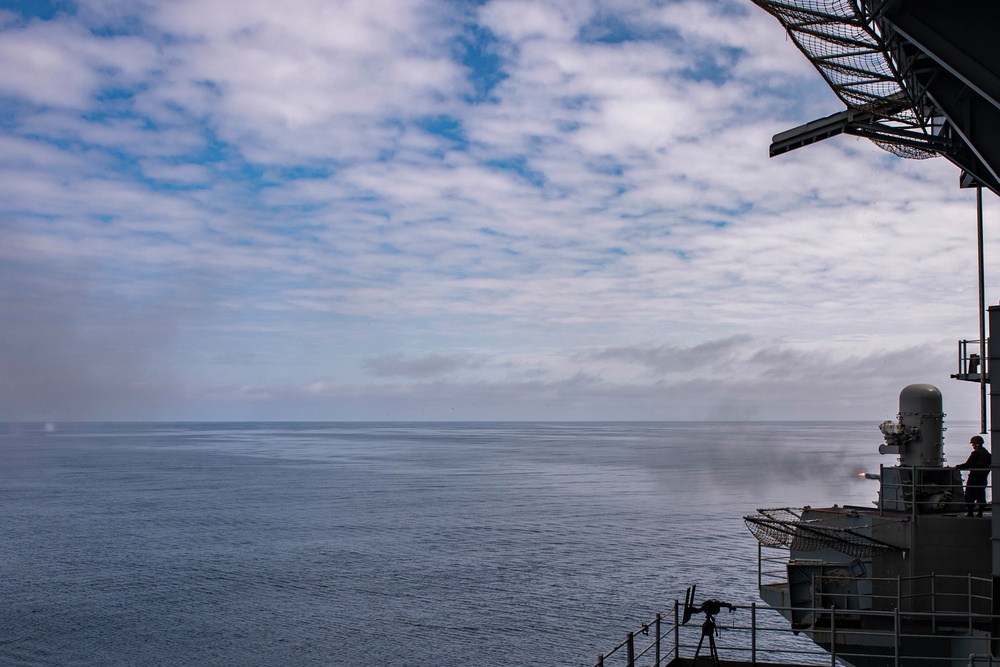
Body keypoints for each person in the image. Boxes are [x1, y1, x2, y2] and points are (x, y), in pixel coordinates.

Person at [955, 435, 991, 517]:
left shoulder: (975, 454)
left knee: (969, 495)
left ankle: (970, 512)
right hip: (983, 478)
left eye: (973, 444)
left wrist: (957, 467)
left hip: (974, 477)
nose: (972, 445)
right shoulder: (987, 454)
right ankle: (980, 513)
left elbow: (968, 464)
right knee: (981, 495)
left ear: (975, 444)